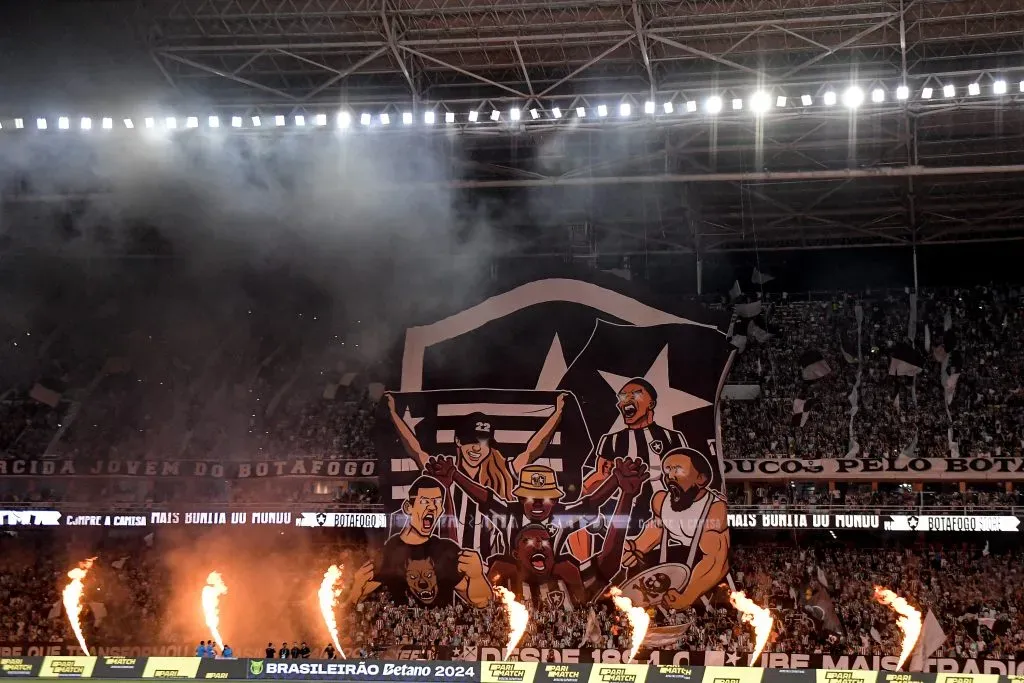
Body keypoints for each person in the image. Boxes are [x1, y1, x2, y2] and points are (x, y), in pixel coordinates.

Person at [386, 393, 568, 557]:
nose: (476, 448)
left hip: (490, 562)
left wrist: (558, 413)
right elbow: (415, 450)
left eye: (483, 442)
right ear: (458, 441)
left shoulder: (502, 472)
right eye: (469, 440)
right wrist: (393, 414)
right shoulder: (441, 469)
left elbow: (532, 451)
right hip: (446, 559)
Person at [489, 457, 647, 608]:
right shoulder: (501, 579)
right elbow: (484, 499)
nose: (539, 545)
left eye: (546, 541)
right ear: (515, 554)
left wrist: (626, 496)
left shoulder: (568, 576)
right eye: (528, 541)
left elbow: (607, 564)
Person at [349, 475, 490, 608]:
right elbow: (356, 599)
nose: (432, 507)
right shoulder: (389, 551)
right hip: (401, 630)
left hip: (442, 629)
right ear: (408, 507)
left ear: (441, 509)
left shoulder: (446, 550)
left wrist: (477, 577)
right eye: (424, 501)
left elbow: (480, 602)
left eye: (437, 502)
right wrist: (357, 586)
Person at [620, 446, 729, 609]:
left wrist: (688, 595)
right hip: (678, 563)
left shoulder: (715, 509)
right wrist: (634, 548)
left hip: (706, 569)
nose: (670, 476)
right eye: (668, 470)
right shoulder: (660, 500)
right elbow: (656, 530)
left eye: (678, 470)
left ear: (700, 478)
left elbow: (716, 560)